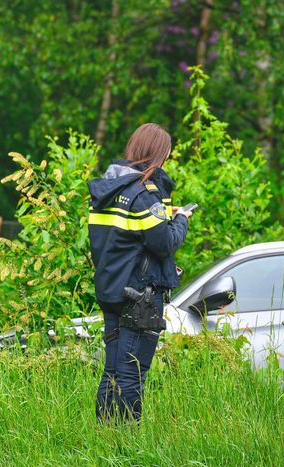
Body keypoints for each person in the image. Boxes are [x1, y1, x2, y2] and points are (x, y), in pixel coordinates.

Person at [88, 123, 192, 421]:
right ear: (160, 154)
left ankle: (106, 436)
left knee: (113, 370)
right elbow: (165, 243)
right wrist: (181, 219)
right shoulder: (145, 194)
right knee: (133, 371)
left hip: (111, 287)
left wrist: (162, 214)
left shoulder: (108, 191)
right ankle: (127, 443)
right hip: (140, 296)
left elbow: (122, 238)